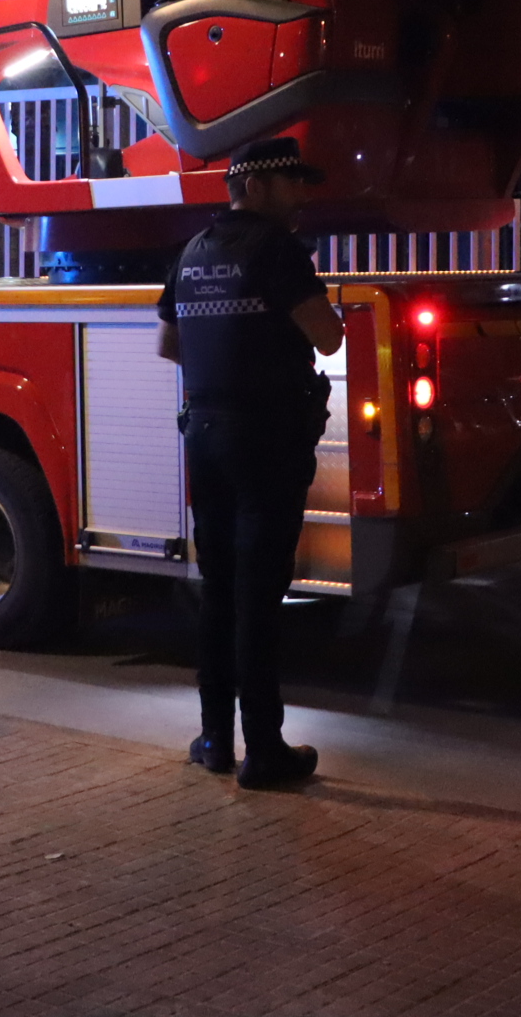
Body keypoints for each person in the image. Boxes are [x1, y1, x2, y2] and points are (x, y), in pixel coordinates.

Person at [156, 137, 346, 789]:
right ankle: (263, 750)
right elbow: (328, 336)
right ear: (257, 187)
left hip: (205, 435)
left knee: (220, 590)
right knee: (259, 597)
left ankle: (214, 739)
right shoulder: (276, 250)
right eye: (294, 183)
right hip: (265, 440)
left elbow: (169, 344)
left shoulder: (193, 251)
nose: (304, 196)